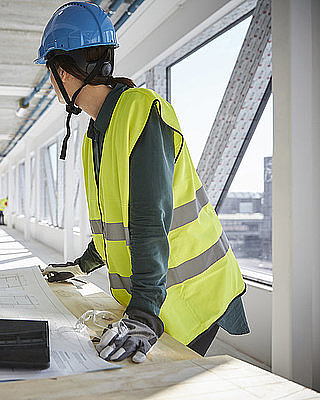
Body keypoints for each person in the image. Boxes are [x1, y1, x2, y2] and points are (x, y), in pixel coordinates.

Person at [38, 2, 249, 363]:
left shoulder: (139, 111)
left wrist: (143, 313)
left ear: (62, 71)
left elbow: (151, 220)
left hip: (194, 292)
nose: (51, 83)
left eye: (49, 73)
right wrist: (81, 265)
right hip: (160, 294)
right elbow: (114, 225)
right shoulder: (98, 132)